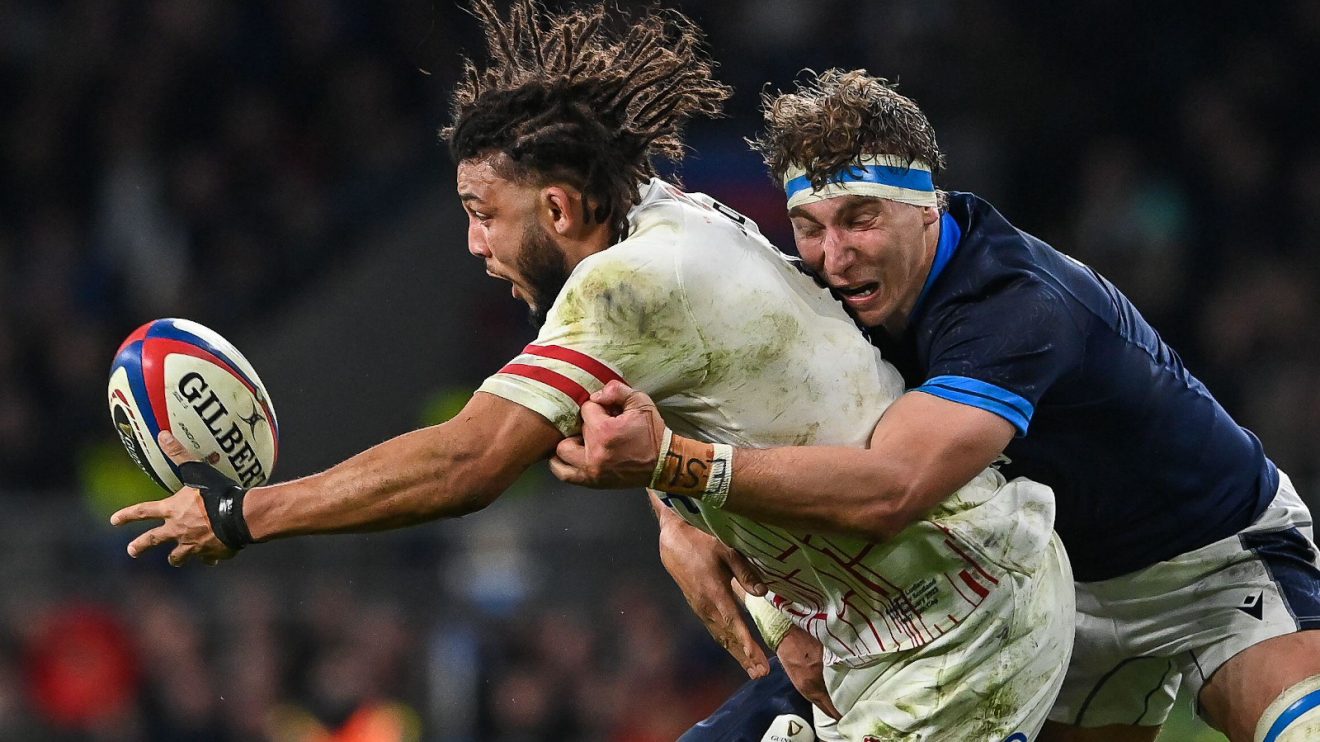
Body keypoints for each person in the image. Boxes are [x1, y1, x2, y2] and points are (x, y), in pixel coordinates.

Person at [110, 3, 1074, 740]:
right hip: (873, 623)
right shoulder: (668, 220)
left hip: (961, 631)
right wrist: (698, 536)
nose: (475, 243)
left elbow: (469, 463)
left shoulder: (628, 284)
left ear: (561, 209)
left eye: (483, 213)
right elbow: (697, 411)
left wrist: (243, 516)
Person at [551, 68, 1320, 742]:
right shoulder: (820, 298)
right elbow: (691, 394)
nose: (835, 255)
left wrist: (675, 470)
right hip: (1052, 591)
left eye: (861, 218)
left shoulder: (1014, 303)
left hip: (1211, 563)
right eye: (810, 228)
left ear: (929, 207)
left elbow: (892, 487)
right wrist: (676, 517)